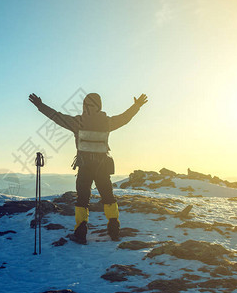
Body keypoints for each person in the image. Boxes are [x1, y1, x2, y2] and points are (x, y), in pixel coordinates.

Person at [29, 92, 148, 244]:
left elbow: (56, 116)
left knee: (82, 200)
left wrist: (40, 105)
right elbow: (125, 118)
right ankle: (114, 231)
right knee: (108, 198)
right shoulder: (107, 122)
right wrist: (136, 106)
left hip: (85, 167)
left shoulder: (78, 122)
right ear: (100, 106)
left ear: (85, 105)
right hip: (103, 166)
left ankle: (80, 233)